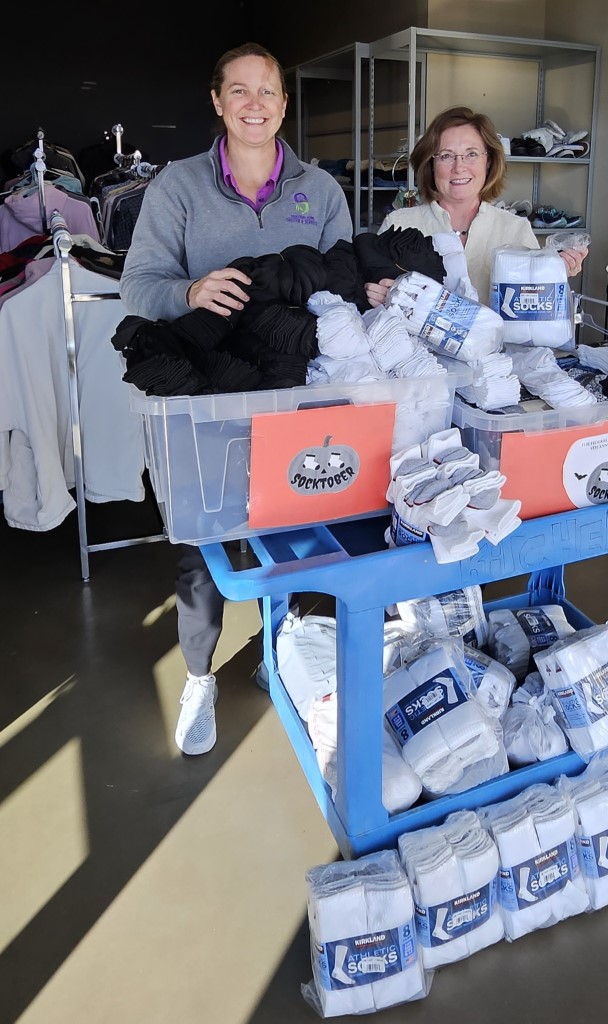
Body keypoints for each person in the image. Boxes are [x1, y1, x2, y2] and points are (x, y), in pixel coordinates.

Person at [120, 42, 353, 756]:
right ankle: (199, 674)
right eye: (240, 91)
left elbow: (343, 283)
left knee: (306, 528)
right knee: (203, 542)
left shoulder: (322, 189)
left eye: (269, 92)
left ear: (285, 105)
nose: (256, 104)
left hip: (301, 400)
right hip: (208, 399)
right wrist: (188, 292)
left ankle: (283, 648)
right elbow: (138, 286)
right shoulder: (177, 188)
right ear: (217, 102)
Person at [364, 105, 587, 308]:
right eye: (446, 156)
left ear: (488, 161)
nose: (459, 167)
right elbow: (377, 303)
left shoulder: (515, 229)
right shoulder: (400, 224)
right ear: (430, 164)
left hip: (501, 352)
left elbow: (534, 305)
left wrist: (555, 273)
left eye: (471, 154)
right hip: (416, 352)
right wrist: (377, 296)